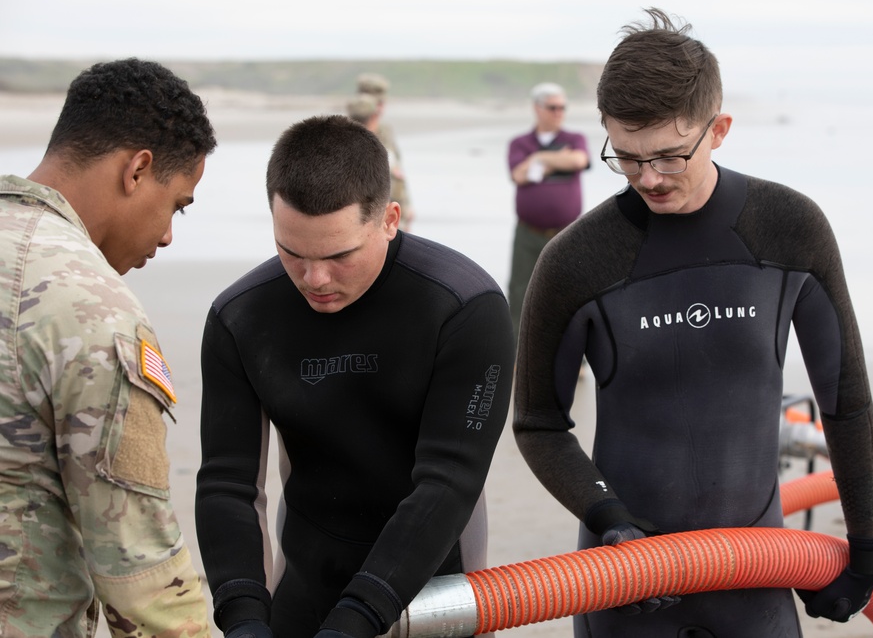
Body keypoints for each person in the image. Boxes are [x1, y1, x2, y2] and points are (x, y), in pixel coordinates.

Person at [513, 8, 873, 637]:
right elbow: (538, 423)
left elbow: (845, 402)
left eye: (668, 156)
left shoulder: (789, 228)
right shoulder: (576, 259)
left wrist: (868, 549)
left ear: (719, 129)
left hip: (755, 577)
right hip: (626, 578)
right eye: (626, 159)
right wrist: (608, 518)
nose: (648, 180)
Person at [194, 115, 514, 638]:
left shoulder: (462, 307)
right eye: (291, 253)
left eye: (339, 255)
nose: (314, 280)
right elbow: (228, 485)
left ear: (389, 219)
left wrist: (358, 619)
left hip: (432, 577)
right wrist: (243, 615)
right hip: (307, 575)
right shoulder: (241, 316)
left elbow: (449, 481)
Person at [0, 58, 216, 637]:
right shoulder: (92, 309)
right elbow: (142, 578)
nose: (168, 233)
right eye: (177, 203)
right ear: (138, 169)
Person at [506, 82, 589, 338]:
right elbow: (519, 175)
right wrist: (549, 159)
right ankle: (516, 352)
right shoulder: (520, 143)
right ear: (537, 108)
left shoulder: (574, 139)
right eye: (553, 108)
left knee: (573, 291)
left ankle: (579, 356)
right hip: (528, 233)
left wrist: (540, 161)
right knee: (520, 291)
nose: (559, 113)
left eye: (563, 107)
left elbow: (579, 160)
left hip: (567, 232)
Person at [356, 73, 413, 231]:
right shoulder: (351, 134)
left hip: (393, 210)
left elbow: (397, 169)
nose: (380, 107)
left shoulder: (385, 132)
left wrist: (407, 207)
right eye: (375, 101)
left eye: (381, 102)